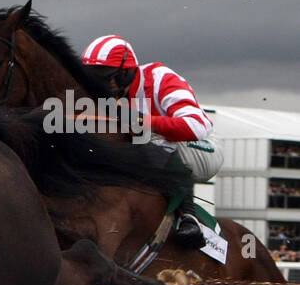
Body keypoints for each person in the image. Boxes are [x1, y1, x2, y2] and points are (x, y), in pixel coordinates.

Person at [81, 35, 220, 248]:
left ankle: (188, 217)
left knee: (144, 137)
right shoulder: (109, 93)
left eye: (107, 78)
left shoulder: (159, 78)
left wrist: (140, 120)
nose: (102, 86)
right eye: (95, 78)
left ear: (127, 72)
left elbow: (198, 126)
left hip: (203, 149)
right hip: (158, 155)